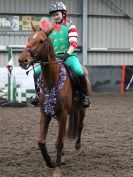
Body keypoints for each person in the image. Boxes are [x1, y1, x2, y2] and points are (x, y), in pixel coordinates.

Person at [30, 1, 90, 108]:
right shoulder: (51, 29)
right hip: (54, 58)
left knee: (78, 71)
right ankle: (38, 95)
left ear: (63, 14)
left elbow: (73, 43)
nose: (55, 17)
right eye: (54, 15)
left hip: (69, 56)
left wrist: (67, 54)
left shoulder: (70, 26)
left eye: (57, 14)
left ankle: (84, 96)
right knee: (36, 72)